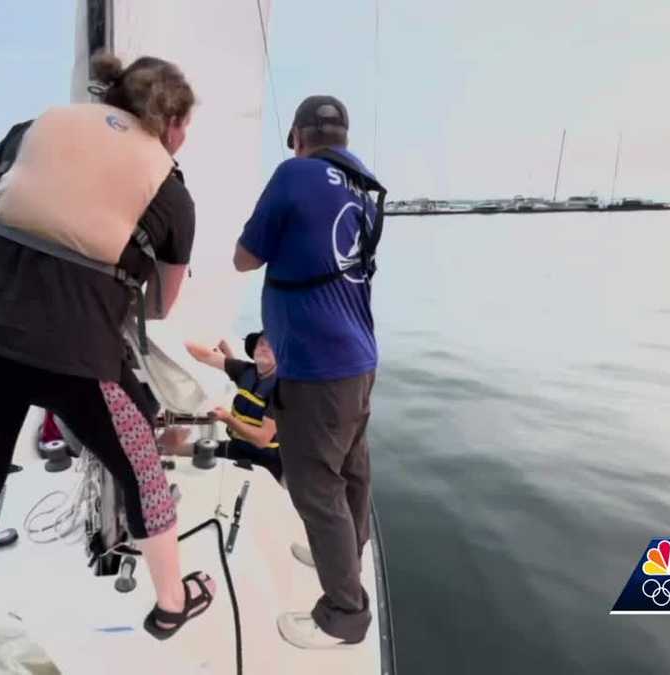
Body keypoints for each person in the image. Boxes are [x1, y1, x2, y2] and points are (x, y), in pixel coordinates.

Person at [0, 52, 216, 640]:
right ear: (172, 121)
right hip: (78, 352)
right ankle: (169, 604)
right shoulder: (171, 191)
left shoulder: (32, 128)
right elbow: (161, 304)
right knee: (142, 468)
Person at [233, 95, 386, 649]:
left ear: (297, 136)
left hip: (317, 368)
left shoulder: (293, 174)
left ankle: (344, 614)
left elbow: (244, 257)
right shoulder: (364, 188)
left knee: (315, 488)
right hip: (359, 361)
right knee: (352, 472)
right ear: (342, 138)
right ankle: (346, 554)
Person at [164, 331, 283, 483]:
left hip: (270, 461)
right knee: (175, 449)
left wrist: (227, 418)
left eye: (271, 345)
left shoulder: (281, 389)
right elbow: (206, 356)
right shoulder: (246, 371)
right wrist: (171, 340)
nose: (264, 347)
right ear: (253, 350)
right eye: (261, 343)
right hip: (239, 448)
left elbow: (262, 440)